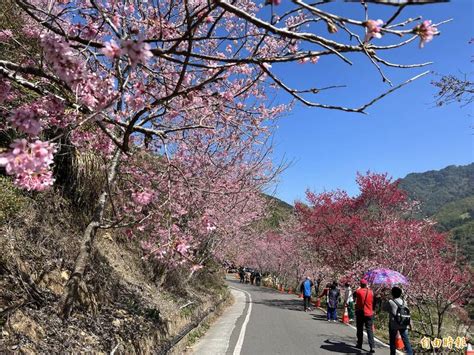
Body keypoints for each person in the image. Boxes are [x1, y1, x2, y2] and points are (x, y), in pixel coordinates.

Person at [383, 287, 413, 355]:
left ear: (392, 293)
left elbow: (383, 308)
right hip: (404, 323)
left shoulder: (391, 302)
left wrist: (385, 300)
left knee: (392, 341)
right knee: (406, 341)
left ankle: (393, 354)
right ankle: (410, 353)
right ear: (400, 294)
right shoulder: (404, 302)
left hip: (394, 324)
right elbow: (407, 312)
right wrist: (410, 324)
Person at [354, 279, 375, 353]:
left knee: (360, 329)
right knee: (369, 330)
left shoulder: (358, 291)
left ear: (360, 284)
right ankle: (372, 347)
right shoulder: (371, 292)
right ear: (366, 284)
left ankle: (359, 344)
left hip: (360, 313)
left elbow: (355, 296)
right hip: (369, 313)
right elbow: (373, 301)